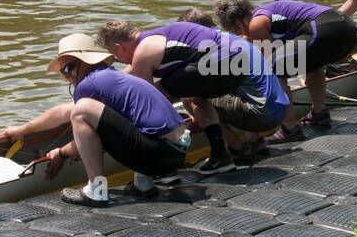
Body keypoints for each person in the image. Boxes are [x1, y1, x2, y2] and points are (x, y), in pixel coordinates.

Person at [0, 33, 191, 207]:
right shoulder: (111, 78)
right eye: (61, 71)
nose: (65, 76)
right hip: (175, 154)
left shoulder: (90, 84)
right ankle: (143, 184)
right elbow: (62, 112)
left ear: (85, 63)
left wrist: (62, 152)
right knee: (117, 113)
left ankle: (97, 190)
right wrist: (21, 131)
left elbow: (77, 115)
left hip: (159, 153)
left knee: (82, 112)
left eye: (67, 68)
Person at [96, 19, 289, 174]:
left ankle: (164, 165)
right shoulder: (160, 35)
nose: (118, 61)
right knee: (190, 93)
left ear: (120, 47)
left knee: (157, 98)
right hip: (237, 64)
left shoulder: (143, 52)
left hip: (224, 66)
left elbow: (146, 100)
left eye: (114, 55)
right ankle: (223, 154)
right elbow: (130, 72)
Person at [214, 0, 357, 139]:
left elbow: (266, 62)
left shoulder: (256, 24)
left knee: (274, 67)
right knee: (312, 64)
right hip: (347, 29)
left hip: (325, 30)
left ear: (238, 23)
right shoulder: (264, 13)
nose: (242, 34)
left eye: (237, 31)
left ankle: (289, 128)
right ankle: (319, 113)